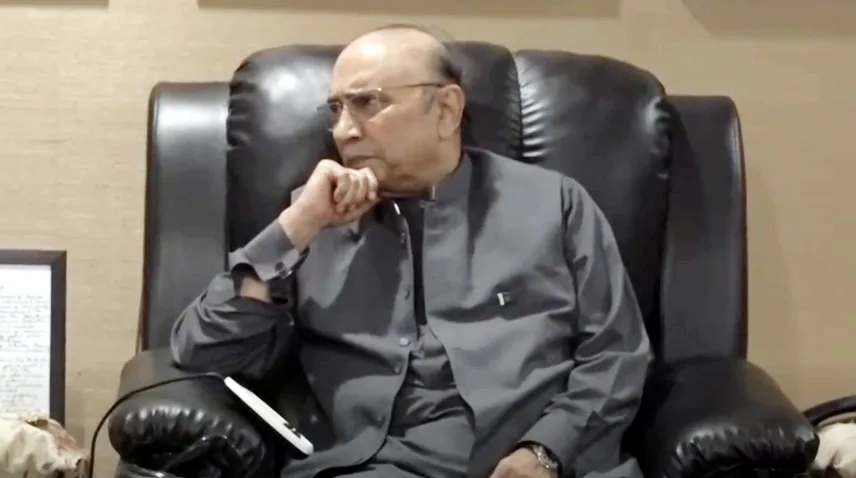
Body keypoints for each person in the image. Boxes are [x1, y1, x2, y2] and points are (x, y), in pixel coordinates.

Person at [171, 24, 653, 478]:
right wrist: (295, 227)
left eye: (366, 103)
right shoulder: (313, 220)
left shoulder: (554, 204)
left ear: (446, 110)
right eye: (336, 109)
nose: (343, 130)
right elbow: (203, 352)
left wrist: (547, 452)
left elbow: (617, 354)